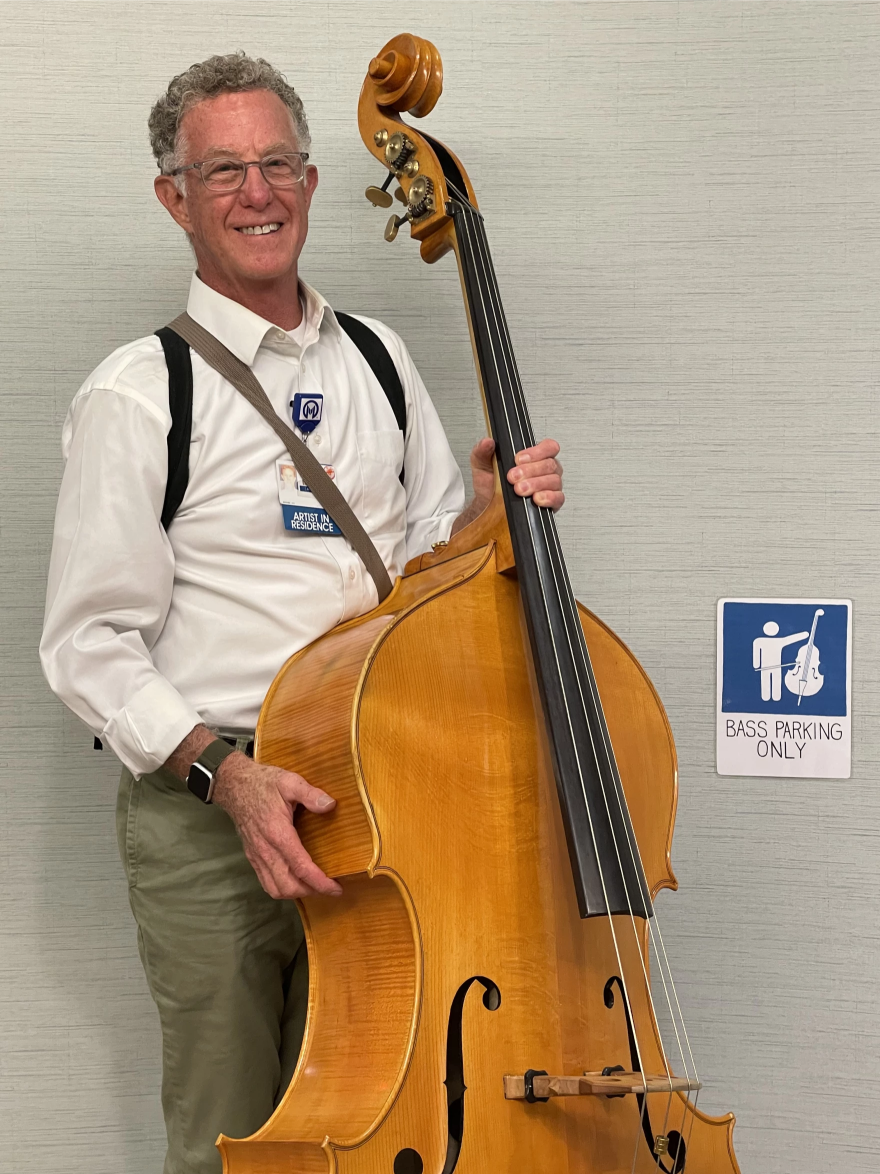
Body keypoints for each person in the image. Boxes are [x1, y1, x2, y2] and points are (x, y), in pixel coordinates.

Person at [39, 52, 564, 1174]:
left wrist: (481, 519)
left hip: (382, 793)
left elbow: (425, 582)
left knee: (386, 1110)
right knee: (238, 1136)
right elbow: (86, 643)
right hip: (211, 810)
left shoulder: (378, 359)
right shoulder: (139, 393)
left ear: (316, 182)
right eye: (222, 169)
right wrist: (226, 778)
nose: (256, 192)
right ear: (173, 198)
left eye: (276, 162)